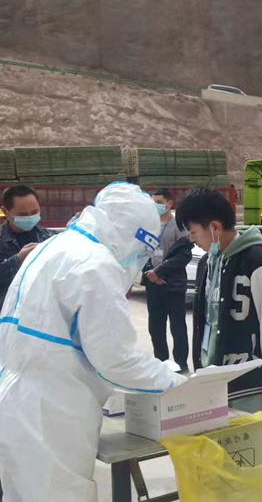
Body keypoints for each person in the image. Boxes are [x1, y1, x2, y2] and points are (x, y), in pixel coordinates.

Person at [0, 183, 187, 501]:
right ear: (130, 234)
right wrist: (175, 383)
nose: (138, 258)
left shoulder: (53, 246)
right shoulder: (97, 265)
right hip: (52, 414)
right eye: (142, 248)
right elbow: (114, 359)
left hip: (15, 401)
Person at [181, 188, 262, 413]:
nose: (191, 239)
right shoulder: (207, 264)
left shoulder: (261, 262)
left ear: (215, 228)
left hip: (249, 387)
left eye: (193, 232)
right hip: (212, 384)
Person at [142, 188, 193, 373]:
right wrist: (151, 274)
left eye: (159, 202)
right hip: (153, 285)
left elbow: (183, 255)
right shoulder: (149, 226)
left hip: (173, 285)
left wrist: (160, 272)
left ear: (170, 203)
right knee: (155, 327)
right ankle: (161, 363)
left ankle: (181, 364)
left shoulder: (179, 227)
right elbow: (141, 252)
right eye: (153, 202)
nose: (156, 206)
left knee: (177, 327)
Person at [0, 185, 53, 304]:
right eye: (22, 215)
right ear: (5, 212)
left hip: (43, 309)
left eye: (35, 212)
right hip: (7, 311)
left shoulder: (49, 237)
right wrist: (16, 262)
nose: (30, 218)